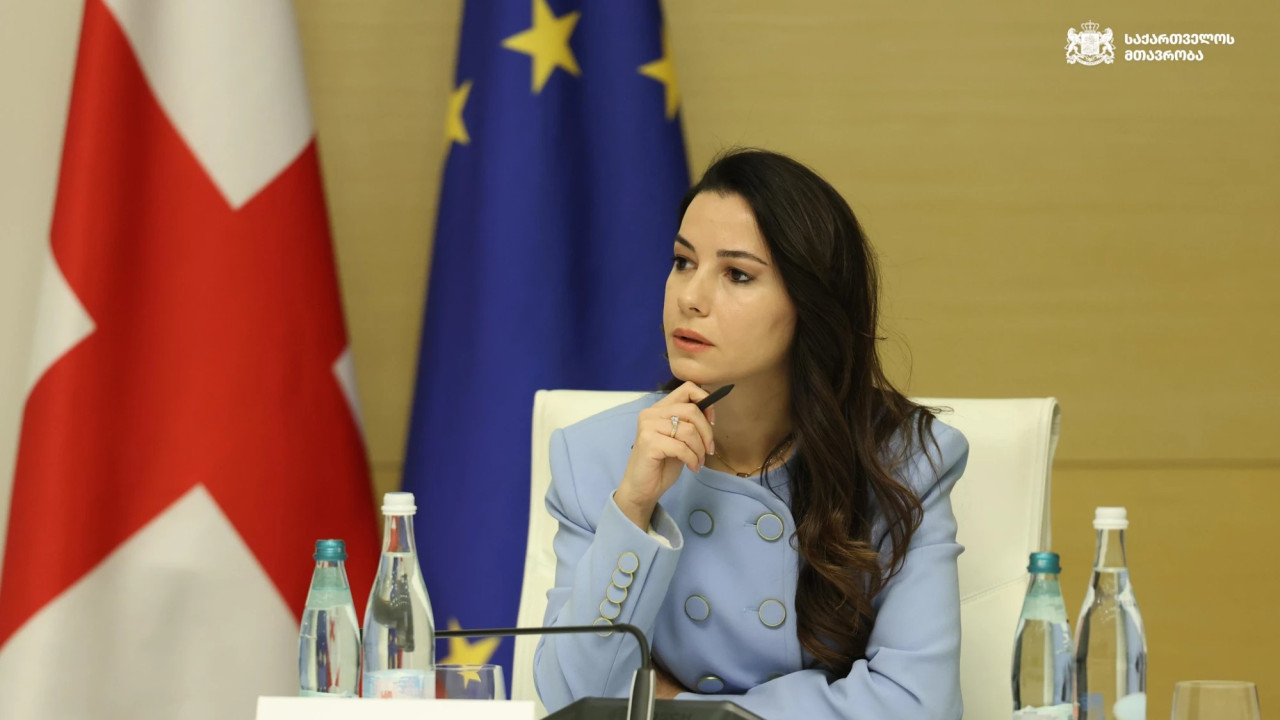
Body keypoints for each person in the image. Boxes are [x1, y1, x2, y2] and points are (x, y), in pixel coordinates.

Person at [533, 148, 970, 720]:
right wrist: (633, 508)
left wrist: (687, 708)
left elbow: (920, 705)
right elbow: (573, 701)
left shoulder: (905, 458)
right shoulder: (597, 456)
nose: (690, 298)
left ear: (809, 304)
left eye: (737, 274)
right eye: (683, 262)